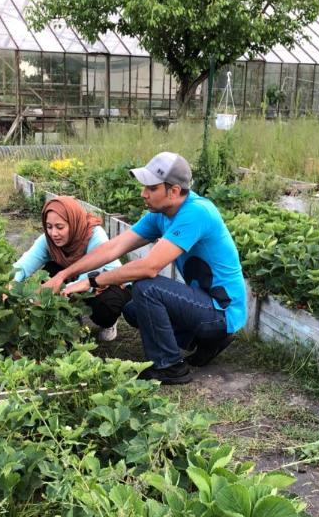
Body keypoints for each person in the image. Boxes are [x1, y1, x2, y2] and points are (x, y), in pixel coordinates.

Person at [43, 152, 248, 384]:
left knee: (146, 287)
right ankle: (206, 341)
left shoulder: (197, 212)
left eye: (151, 188)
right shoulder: (160, 214)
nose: (143, 194)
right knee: (133, 309)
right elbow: (113, 248)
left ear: (173, 191)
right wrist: (65, 274)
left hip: (221, 309)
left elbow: (150, 267)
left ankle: (169, 366)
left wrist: (92, 281)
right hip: (205, 304)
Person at [12, 195, 131, 341]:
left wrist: (46, 294)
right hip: (73, 277)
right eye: (49, 227)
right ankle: (70, 321)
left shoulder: (94, 235)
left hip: (105, 282)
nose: (53, 233)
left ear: (73, 222)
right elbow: (23, 265)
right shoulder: (47, 240)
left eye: (60, 227)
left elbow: (89, 276)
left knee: (106, 308)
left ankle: (109, 323)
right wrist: (10, 283)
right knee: (49, 272)